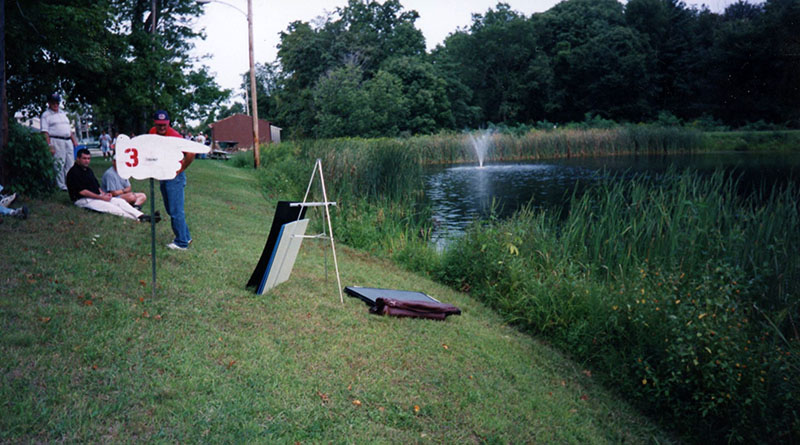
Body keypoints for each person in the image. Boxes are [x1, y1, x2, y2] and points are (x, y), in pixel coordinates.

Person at [66, 148, 159, 222]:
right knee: (112, 208)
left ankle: (142, 215)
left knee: (120, 202)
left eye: (88, 158)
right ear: (78, 159)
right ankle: (140, 219)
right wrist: (101, 198)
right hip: (82, 200)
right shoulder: (74, 172)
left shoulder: (88, 170)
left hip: (96, 197)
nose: (87, 161)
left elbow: (96, 186)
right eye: (84, 158)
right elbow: (83, 192)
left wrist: (103, 194)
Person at [149, 110, 195, 250]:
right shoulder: (152, 132)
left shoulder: (175, 136)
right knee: (170, 209)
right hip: (163, 174)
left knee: (176, 210)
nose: (162, 128)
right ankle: (186, 236)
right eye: (159, 125)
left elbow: (191, 153)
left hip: (174, 177)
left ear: (168, 123)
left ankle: (181, 243)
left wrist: (180, 169)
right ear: (155, 124)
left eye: (164, 125)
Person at [40, 93, 79, 191]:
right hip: (56, 140)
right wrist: (49, 145)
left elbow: (68, 129)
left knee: (70, 163)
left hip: (68, 141)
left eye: (57, 102)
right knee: (59, 163)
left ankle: (70, 183)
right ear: (49, 103)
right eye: (53, 102)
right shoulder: (46, 115)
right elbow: (45, 132)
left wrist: (74, 140)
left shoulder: (63, 113)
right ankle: (61, 185)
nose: (55, 104)